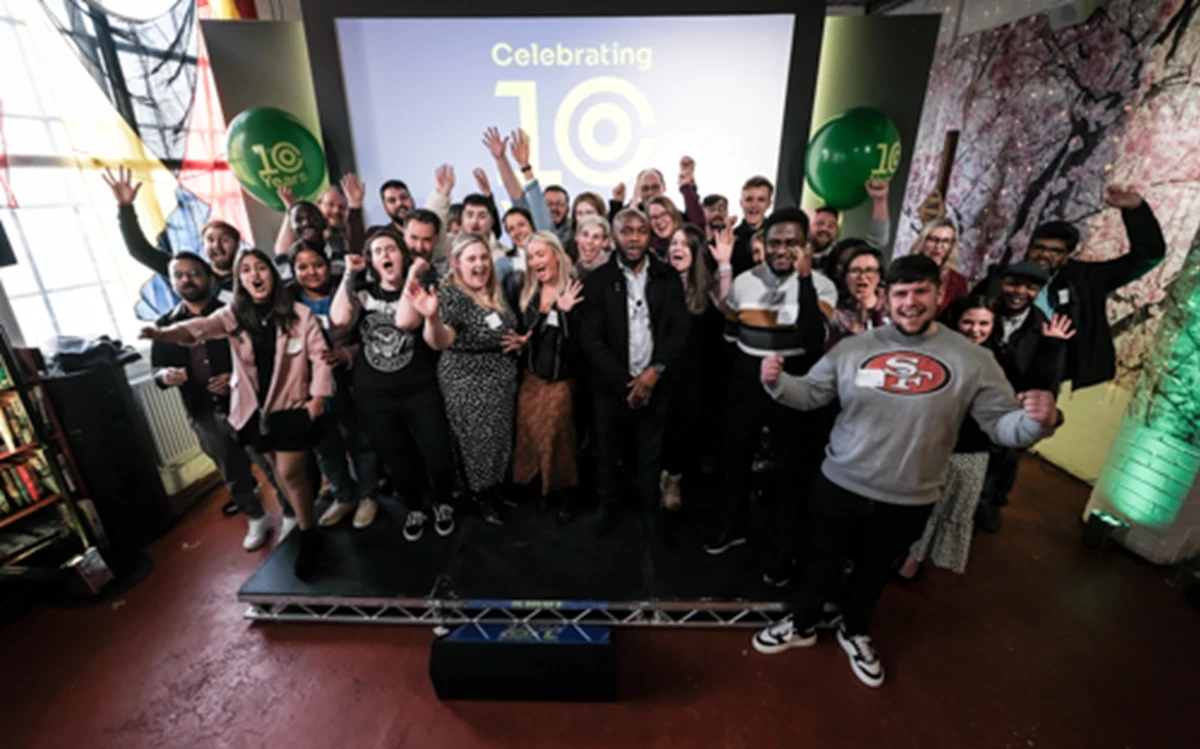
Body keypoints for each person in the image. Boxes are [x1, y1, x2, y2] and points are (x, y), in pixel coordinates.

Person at [750, 254, 1062, 689]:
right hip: (841, 481)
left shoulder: (973, 360)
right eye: (901, 293)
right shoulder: (854, 348)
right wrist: (777, 383)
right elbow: (811, 394)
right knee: (821, 560)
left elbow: (1003, 426)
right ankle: (802, 625)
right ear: (886, 298)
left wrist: (1041, 422)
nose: (910, 302)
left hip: (911, 493)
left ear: (938, 294)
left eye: (920, 291)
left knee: (875, 570)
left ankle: (854, 631)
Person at [140, 248, 334, 579]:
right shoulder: (234, 315)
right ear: (239, 280)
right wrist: (162, 334)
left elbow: (320, 356)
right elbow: (200, 328)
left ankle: (309, 533)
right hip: (255, 412)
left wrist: (317, 398)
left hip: (293, 407)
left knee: (290, 473)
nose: (255, 274)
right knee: (277, 472)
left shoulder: (299, 315)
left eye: (261, 267)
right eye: (246, 270)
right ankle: (302, 522)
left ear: (272, 274)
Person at [708, 208, 832, 562]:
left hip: (794, 379)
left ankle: (783, 544)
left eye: (792, 243)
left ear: (806, 246)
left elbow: (813, 339)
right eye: (775, 242)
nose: (781, 250)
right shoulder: (744, 282)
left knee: (790, 468)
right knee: (735, 458)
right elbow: (730, 336)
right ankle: (733, 525)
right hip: (747, 379)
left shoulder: (822, 286)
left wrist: (804, 280)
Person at [148, 252, 286, 550]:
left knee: (269, 462)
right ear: (171, 282)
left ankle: (291, 512)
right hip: (203, 410)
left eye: (194, 273)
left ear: (210, 279)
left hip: (245, 404)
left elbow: (260, 354)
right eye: (179, 275)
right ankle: (255, 517)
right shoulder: (166, 324)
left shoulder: (234, 312)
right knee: (231, 470)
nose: (186, 280)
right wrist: (165, 376)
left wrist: (234, 376)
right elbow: (156, 369)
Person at [970, 184, 1165, 390]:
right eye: (1039, 247)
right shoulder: (1002, 278)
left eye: (1055, 251)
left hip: (1047, 375)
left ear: (1066, 256)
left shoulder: (1086, 280)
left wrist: (1136, 210)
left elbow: (1148, 256)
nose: (1044, 255)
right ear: (1028, 248)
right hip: (991, 367)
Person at [331, 229, 458, 541]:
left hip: (419, 388)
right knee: (397, 457)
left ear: (403, 255)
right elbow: (340, 319)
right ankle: (414, 506)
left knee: (438, 453)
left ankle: (442, 502)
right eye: (378, 251)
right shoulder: (363, 292)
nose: (385, 255)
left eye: (391, 249)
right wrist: (350, 273)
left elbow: (406, 321)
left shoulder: (422, 290)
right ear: (372, 262)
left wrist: (413, 274)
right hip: (375, 395)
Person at [579, 208, 690, 541]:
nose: (634, 238)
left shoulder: (668, 277)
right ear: (614, 235)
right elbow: (591, 340)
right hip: (611, 387)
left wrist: (654, 373)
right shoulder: (597, 280)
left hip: (656, 383)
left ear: (649, 236)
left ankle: (649, 512)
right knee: (607, 453)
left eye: (641, 231)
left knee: (650, 456)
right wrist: (627, 383)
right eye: (626, 231)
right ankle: (606, 508)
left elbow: (678, 331)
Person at [415, 234, 522, 522]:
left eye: (484, 257)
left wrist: (518, 342)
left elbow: (505, 328)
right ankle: (481, 496)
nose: (480, 264)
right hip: (467, 380)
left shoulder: (496, 289)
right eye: (471, 258)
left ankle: (496, 488)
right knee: (476, 442)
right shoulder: (452, 296)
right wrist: (432, 318)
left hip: (501, 378)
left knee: (498, 438)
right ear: (457, 264)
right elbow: (441, 340)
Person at [288, 244, 382, 531]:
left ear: (328, 266)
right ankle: (344, 495)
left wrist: (345, 354)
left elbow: (370, 337)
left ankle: (368, 495)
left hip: (348, 384)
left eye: (317, 264)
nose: (311, 272)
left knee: (360, 443)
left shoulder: (349, 294)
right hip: (311, 390)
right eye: (302, 267)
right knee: (326, 449)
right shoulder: (289, 304)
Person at [974, 261, 1073, 532]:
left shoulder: (1045, 327)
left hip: (1011, 407)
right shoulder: (983, 312)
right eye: (1013, 284)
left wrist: (1053, 347)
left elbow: (1046, 384)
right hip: (974, 401)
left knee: (1004, 460)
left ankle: (991, 502)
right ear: (1001, 283)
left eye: (1030, 287)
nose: (1020, 292)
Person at [511, 232, 586, 523]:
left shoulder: (575, 290)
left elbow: (577, 345)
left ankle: (567, 494)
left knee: (557, 436)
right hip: (531, 377)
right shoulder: (527, 292)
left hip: (561, 379)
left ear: (556, 255)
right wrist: (521, 341)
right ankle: (543, 488)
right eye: (530, 257)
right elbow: (528, 332)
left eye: (540, 254)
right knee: (531, 432)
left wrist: (564, 312)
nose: (535, 262)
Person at [660, 223, 734, 510]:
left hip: (697, 374)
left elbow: (728, 307)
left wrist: (725, 264)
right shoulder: (657, 283)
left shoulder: (709, 287)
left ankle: (676, 479)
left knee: (687, 427)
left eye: (684, 244)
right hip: (662, 370)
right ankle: (663, 477)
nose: (677, 248)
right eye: (673, 243)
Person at [103, 166, 240, 302]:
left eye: (224, 240)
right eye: (210, 240)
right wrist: (125, 207)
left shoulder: (248, 273)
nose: (217, 245)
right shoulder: (189, 269)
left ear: (237, 244)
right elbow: (139, 250)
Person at [274, 175, 367, 261]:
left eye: (342, 207)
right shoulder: (307, 235)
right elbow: (282, 254)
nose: (336, 211)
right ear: (318, 206)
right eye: (330, 204)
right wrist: (292, 211)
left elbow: (359, 253)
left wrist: (354, 205)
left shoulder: (349, 237)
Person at [808, 179, 891, 272]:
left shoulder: (840, 254)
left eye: (831, 226)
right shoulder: (796, 249)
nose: (825, 229)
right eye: (819, 223)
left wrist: (880, 200)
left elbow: (877, 240)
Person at [830, 246, 888, 344]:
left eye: (869, 270)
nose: (862, 276)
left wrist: (877, 316)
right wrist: (856, 325)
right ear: (845, 277)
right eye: (855, 271)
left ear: (879, 277)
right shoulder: (835, 315)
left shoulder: (892, 308)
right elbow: (833, 351)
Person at [910, 218, 967, 313]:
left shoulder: (958, 281)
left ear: (951, 245)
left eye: (946, 241)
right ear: (922, 240)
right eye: (933, 239)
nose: (938, 246)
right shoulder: (903, 270)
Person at [729, 176, 773, 276]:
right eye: (749, 199)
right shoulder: (730, 238)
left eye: (761, 200)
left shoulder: (777, 237)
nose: (754, 205)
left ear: (769, 204)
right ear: (741, 203)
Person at [573, 215, 612, 282]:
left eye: (596, 237)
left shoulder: (612, 272)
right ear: (576, 237)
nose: (589, 241)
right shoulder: (571, 273)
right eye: (585, 235)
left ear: (605, 242)